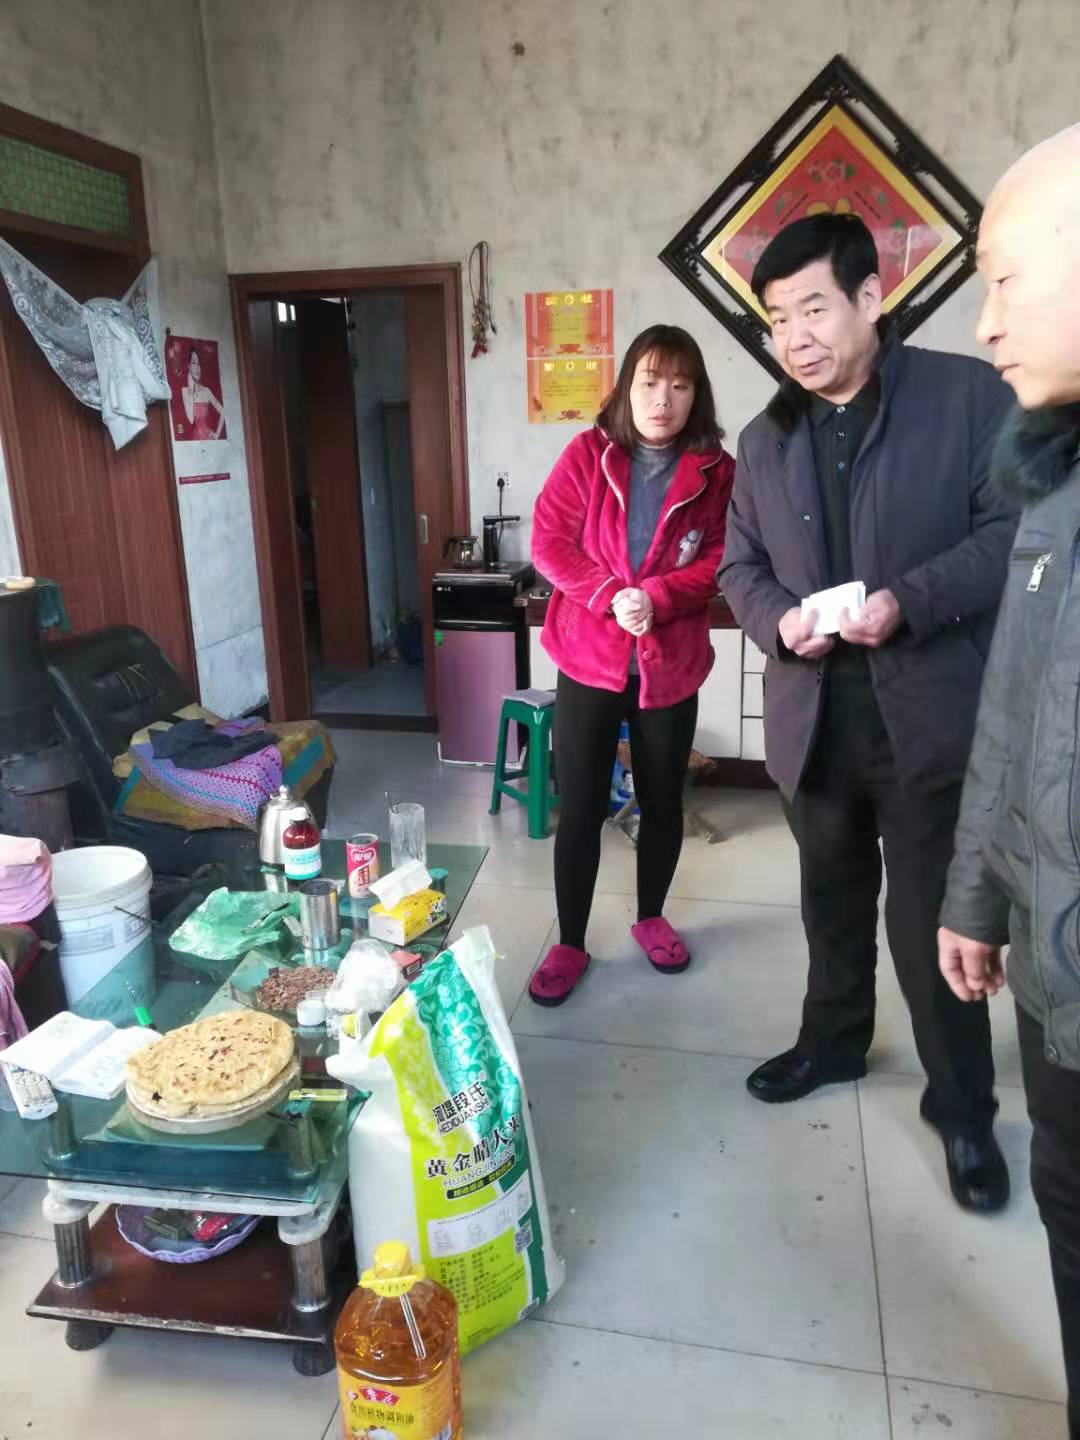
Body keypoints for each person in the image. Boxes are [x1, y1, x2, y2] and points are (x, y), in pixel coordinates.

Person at [718, 214, 1017, 1212]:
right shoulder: (766, 437)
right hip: (814, 719)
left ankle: (963, 1109)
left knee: (933, 925)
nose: (795, 336)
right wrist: (776, 621)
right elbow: (739, 566)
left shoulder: (966, 398)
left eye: (813, 308)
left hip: (926, 717)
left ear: (870, 297)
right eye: (776, 318)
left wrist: (908, 601)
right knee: (830, 902)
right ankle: (834, 1042)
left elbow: (1010, 531)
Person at [938, 124, 1080, 1435]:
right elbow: (1013, 713)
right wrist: (978, 895)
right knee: (1069, 1208)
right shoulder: (1053, 481)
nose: (986, 321)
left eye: (1005, 280)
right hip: (1051, 965)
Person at [529, 325, 735, 1005]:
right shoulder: (588, 454)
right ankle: (570, 942)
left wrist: (658, 597)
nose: (662, 399)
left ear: (696, 395)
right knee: (581, 807)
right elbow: (549, 541)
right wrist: (609, 595)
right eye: (649, 382)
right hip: (589, 661)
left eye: (680, 385)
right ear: (625, 387)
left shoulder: (717, 471)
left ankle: (650, 917)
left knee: (662, 801)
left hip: (669, 666)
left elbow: (721, 558)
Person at [181, 347, 225, 440]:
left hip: (208, 440)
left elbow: (223, 411)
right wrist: (191, 386)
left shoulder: (206, 391)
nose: (197, 367)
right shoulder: (185, 391)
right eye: (194, 363)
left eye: (199, 364)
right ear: (188, 366)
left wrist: (217, 434)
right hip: (195, 442)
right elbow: (191, 419)